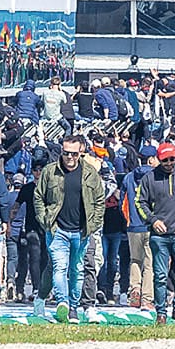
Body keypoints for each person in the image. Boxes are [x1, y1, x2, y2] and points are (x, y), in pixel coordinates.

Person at [35, 133, 106, 324]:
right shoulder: (50, 171)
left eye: (74, 154)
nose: (70, 157)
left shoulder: (90, 172)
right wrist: (45, 220)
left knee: (77, 269)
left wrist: (94, 223)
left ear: (80, 152)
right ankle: (62, 303)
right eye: (66, 153)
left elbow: (100, 200)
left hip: (82, 230)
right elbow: (38, 197)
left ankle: (74, 308)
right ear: (61, 151)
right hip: (57, 229)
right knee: (60, 267)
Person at [135, 142, 175, 325]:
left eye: (172, 159)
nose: (169, 163)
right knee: (160, 274)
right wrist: (152, 220)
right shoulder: (149, 178)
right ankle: (161, 312)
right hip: (159, 235)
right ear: (159, 160)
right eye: (165, 160)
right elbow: (139, 202)